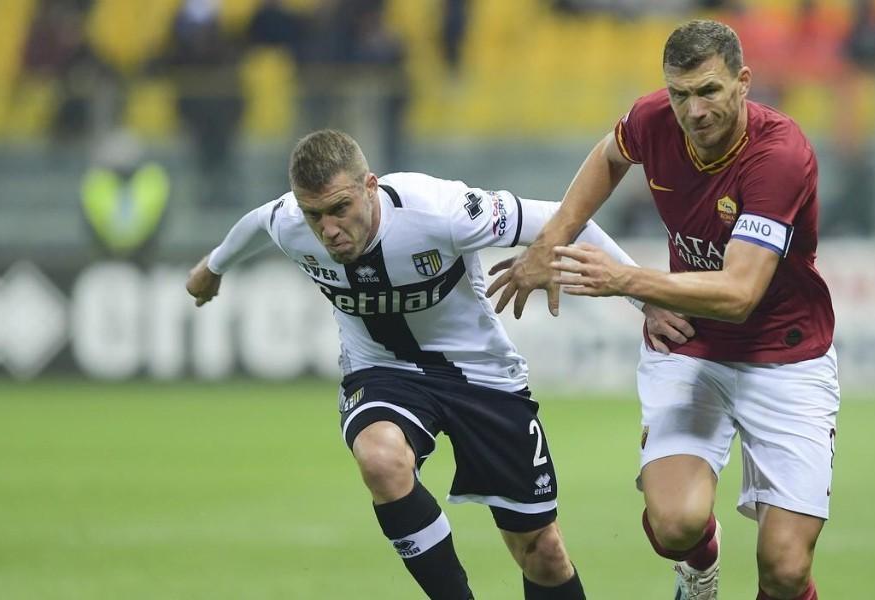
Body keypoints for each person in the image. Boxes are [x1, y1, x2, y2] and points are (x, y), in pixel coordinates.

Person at [185, 129, 681, 599]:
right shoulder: (292, 222)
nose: (329, 230)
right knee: (380, 458)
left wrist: (645, 297)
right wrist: (212, 268)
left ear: (370, 187)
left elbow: (569, 219)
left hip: (481, 376)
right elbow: (255, 224)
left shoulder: (442, 211)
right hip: (381, 371)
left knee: (542, 553)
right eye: (315, 215)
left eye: (340, 208)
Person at [487, 20, 839, 600]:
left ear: (743, 81)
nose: (693, 110)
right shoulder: (654, 119)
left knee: (784, 568)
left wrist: (628, 281)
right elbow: (607, 158)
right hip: (690, 345)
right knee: (676, 526)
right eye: (679, 94)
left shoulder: (780, 155)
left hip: (786, 357)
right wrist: (548, 244)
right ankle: (699, 569)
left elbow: (739, 293)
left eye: (708, 91)